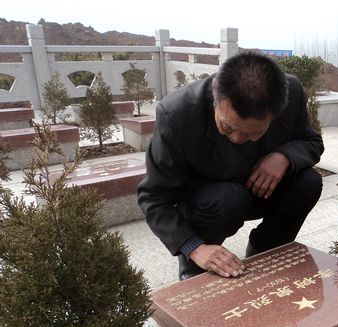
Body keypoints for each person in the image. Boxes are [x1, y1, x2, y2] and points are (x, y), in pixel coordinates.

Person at [137, 52, 324, 280]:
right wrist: (194, 247)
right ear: (215, 90)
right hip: (211, 202)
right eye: (227, 126)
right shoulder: (178, 114)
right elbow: (153, 197)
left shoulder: (290, 92)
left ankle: (266, 252)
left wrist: (283, 156)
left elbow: (312, 142)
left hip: (261, 189)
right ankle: (194, 269)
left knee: (308, 182)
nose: (236, 138)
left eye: (252, 133)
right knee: (228, 198)